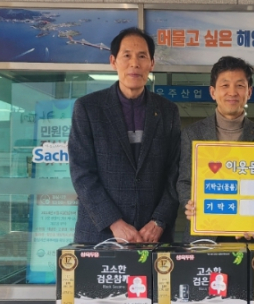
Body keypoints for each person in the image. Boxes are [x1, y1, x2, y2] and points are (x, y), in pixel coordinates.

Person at [69, 27, 180, 245]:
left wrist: (159, 220)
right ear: (113, 61)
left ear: (152, 63)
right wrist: (114, 222)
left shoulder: (168, 111)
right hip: (100, 234)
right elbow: (82, 172)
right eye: (127, 55)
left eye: (142, 56)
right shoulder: (88, 108)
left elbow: (175, 171)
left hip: (153, 234)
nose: (134, 64)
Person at [177, 56, 254, 242]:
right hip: (204, 231)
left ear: (249, 92)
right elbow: (184, 180)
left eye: (240, 85)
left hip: (248, 234)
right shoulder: (192, 133)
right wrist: (188, 203)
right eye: (225, 85)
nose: (232, 92)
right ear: (213, 92)